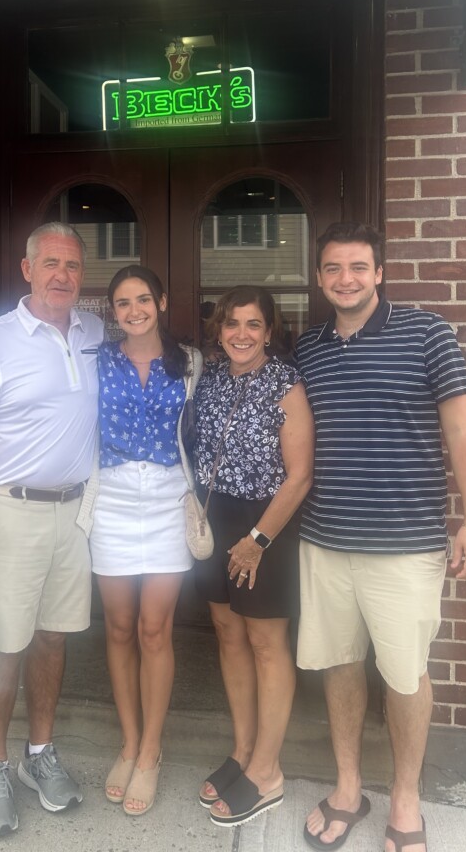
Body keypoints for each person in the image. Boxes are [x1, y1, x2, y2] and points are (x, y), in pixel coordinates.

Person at [295, 222, 466, 852]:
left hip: (405, 546)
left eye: (358, 267)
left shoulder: (428, 332)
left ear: (378, 272)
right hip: (325, 540)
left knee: (406, 676)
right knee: (341, 666)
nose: (345, 279)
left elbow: (462, 430)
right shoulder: (309, 349)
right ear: (320, 277)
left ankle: (406, 797)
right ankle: (349, 787)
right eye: (332, 268)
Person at [0, 222, 104, 837]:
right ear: (27, 268)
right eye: (51, 263)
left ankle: (40, 752)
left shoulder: (94, 333)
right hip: (8, 513)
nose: (63, 275)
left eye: (73, 265)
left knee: (54, 639)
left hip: (73, 513)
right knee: (5, 644)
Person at [77, 266, 201, 816]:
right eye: (123, 303)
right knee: (121, 627)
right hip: (114, 500)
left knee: (155, 629)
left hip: (170, 499)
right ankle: (128, 741)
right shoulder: (96, 360)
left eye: (143, 299)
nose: (133, 311)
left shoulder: (192, 363)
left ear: (162, 301)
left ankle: (151, 752)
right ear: (113, 311)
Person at [193, 285, 314, 827]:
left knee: (266, 643)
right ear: (219, 330)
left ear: (269, 331)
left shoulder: (285, 383)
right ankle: (242, 751)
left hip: (268, 525)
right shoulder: (213, 378)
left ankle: (268, 770)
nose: (241, 334)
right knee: (228, 633)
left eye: (253, 325)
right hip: (216, 520)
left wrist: (258, 539)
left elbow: (300, 475)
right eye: (231, 324)